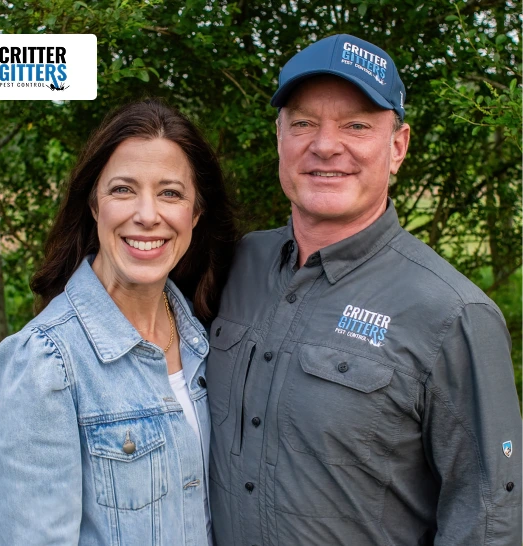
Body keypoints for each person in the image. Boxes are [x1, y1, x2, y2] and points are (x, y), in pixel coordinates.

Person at [207, 34, 523, 545]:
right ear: (280, 139)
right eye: (304, 123)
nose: (326, 144)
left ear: (397, 147)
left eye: (356, 125)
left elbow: (491, 520)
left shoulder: (454, 315)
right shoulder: (237, 265)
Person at [0, 98, 237, 546]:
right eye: (123, 190)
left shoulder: (204, 338)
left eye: (170, 193)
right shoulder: (43, 365)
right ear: (95, 206)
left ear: (195, 214)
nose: (148, 214)